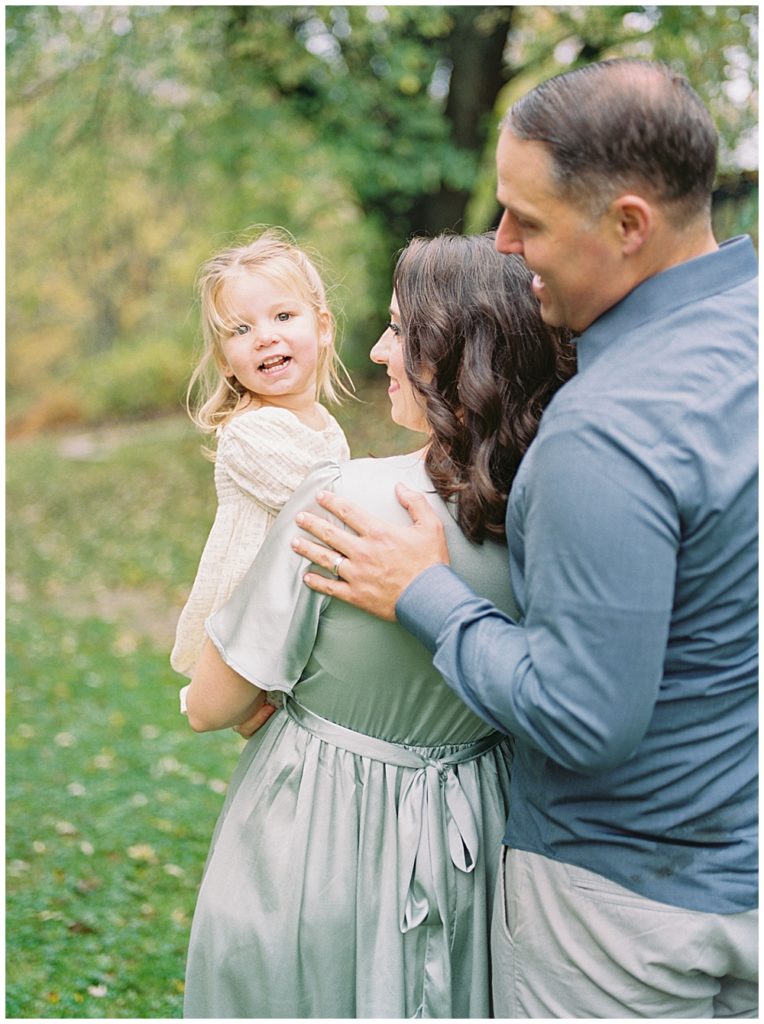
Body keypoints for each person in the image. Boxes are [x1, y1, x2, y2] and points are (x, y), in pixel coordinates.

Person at [293, 59, 758, 1018]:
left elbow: (585, 721)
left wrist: (424, 591)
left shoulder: (606, 428)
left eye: (530, 221)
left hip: (620, 915)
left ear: (629, 224)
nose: (504, 245)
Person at [181, 232, 573, 1018]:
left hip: (323, 837)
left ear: (450, 351)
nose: (378, 348)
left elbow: (210, 704)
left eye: (398, 329)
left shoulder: (348, 502)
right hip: (481, 830)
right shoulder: (554, 510)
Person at [170, 227, 350, 693]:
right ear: (225, 360)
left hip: (300, 608)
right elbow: (336, 512)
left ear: (323, 327)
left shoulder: (324, 424)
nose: (265, 338)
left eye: (283, 315)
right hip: (254, 627)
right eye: (241, 329)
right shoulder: (249, 432)